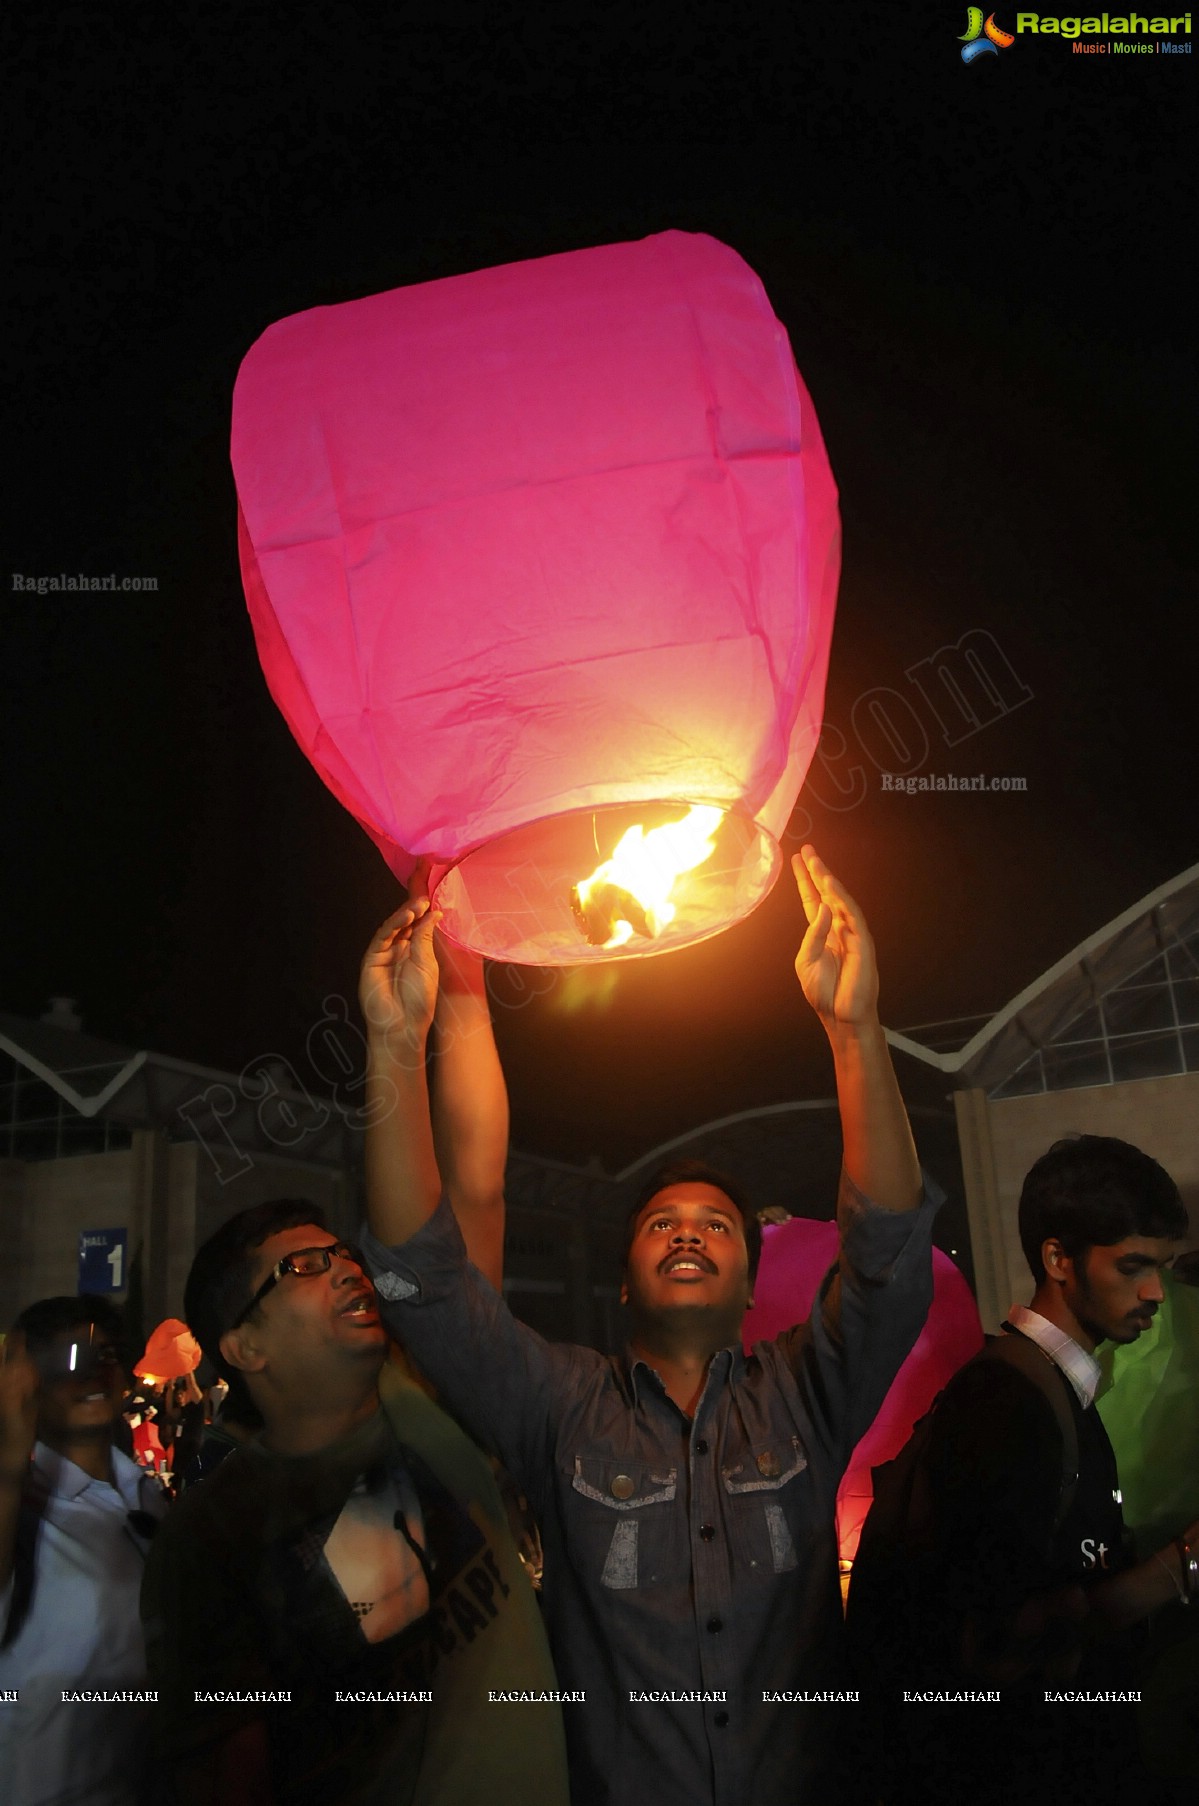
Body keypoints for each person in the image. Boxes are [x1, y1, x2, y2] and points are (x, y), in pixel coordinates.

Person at [358, 845, 939, 1806]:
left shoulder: (805, 1395)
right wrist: (390, 1045)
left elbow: (887, 1263)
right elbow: (418, 1276)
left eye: (716, 1226)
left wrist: (855, 1029)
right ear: (622, 1283)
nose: (687, 1234)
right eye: (660, 1224)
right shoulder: (556, 1405)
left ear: (752, 1286)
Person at [848, 1133, 1199, 1806]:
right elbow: (1000, 1637)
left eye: (1164, 1265)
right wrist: (1181, 1565)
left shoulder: (1042, 1387)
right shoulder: (1007, 1402)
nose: (1155, 1291)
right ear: (1057, 1259)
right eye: (1130, 1266)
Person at [0, 1294, 165, 1806]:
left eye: (107, 1355)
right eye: (66, 1358)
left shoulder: (150, 1498)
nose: (91, 1372)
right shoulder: (18, 1505)